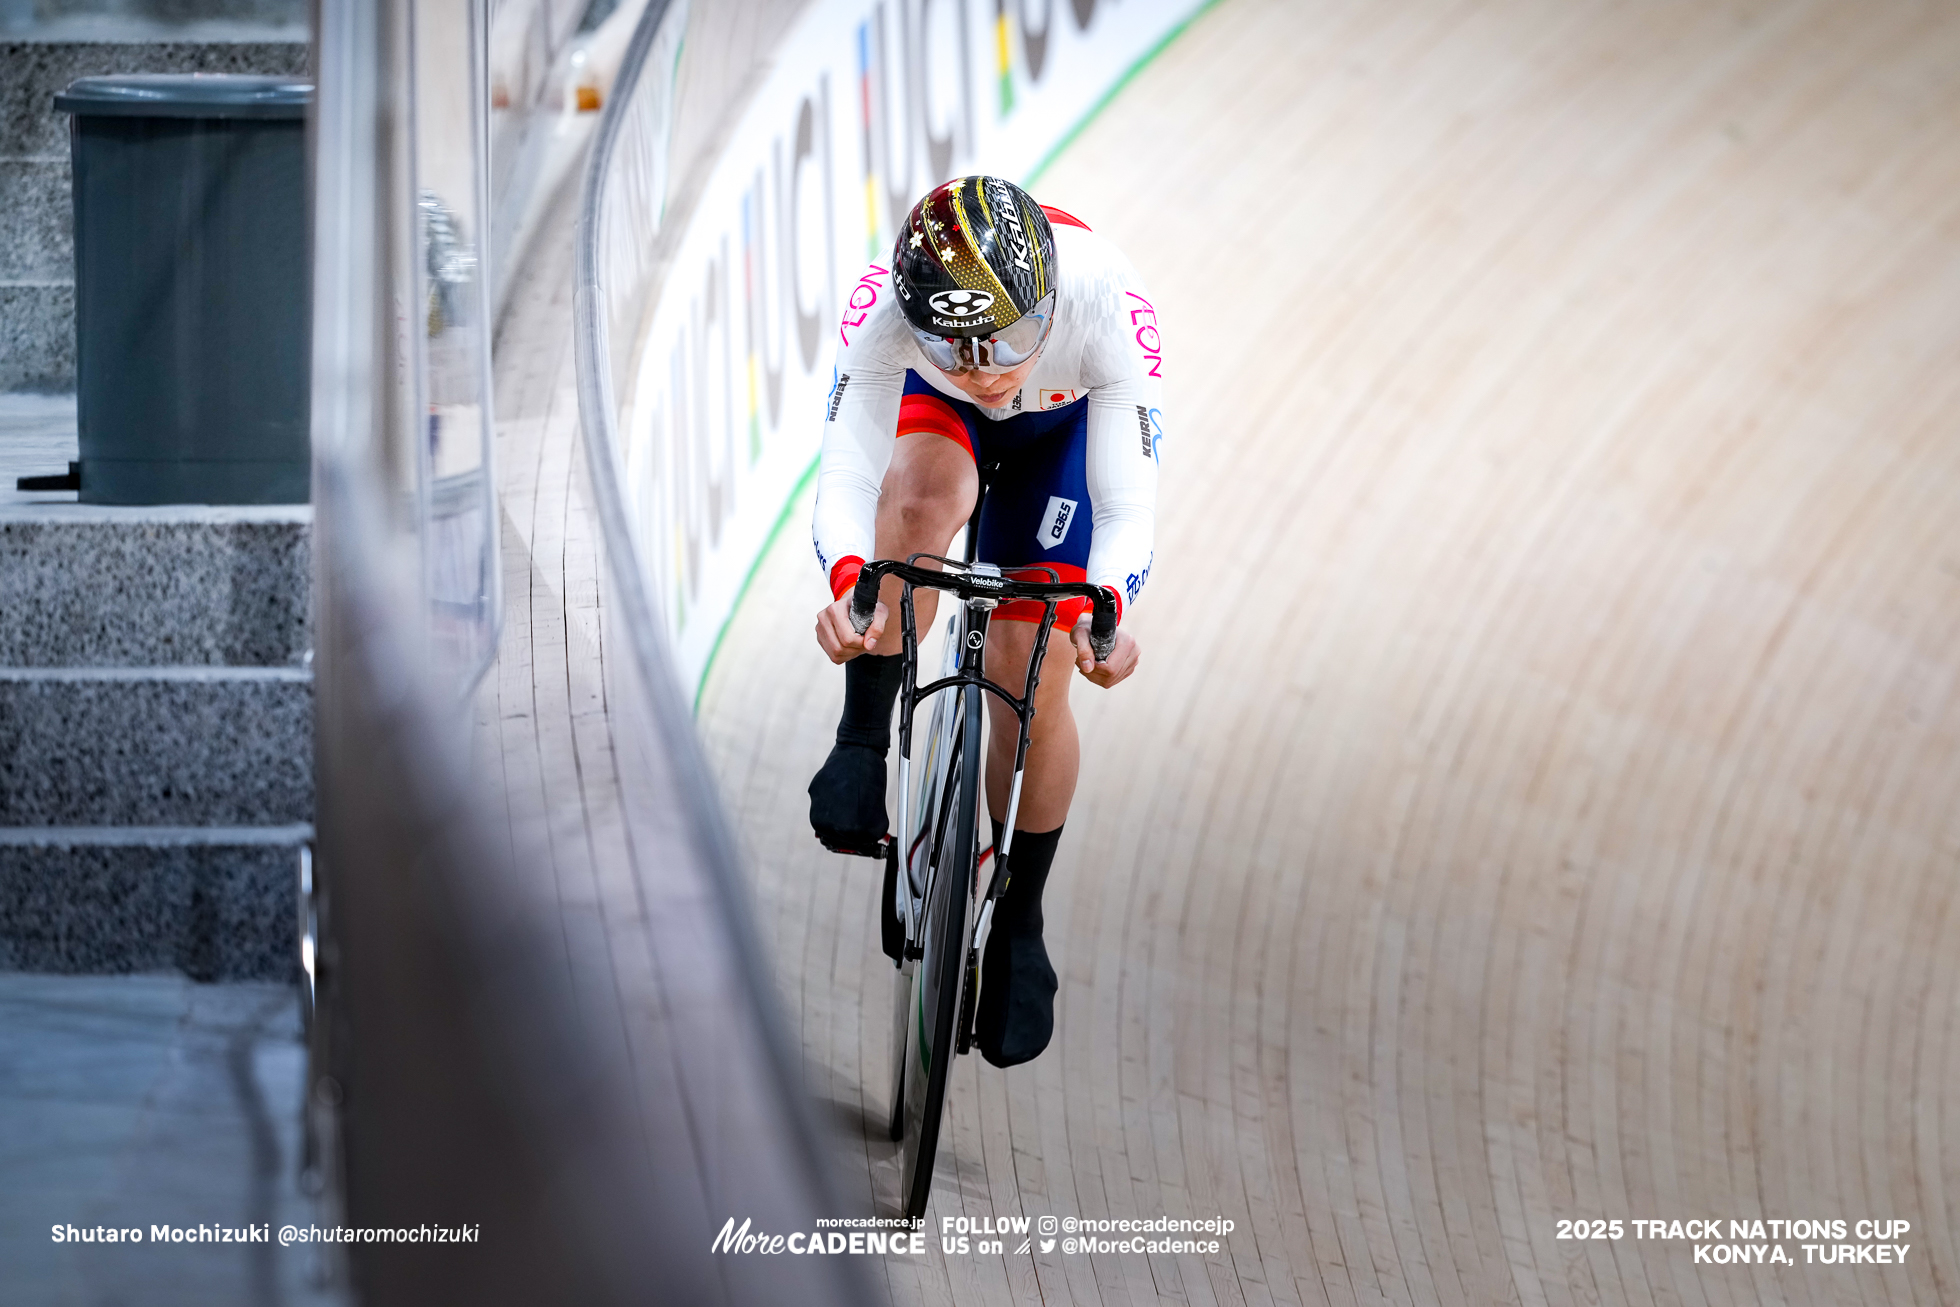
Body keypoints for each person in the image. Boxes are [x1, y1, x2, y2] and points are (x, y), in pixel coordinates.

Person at [807, 175, 1162, 1067]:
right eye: (955, 347)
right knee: (921, 506)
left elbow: (1127, 504)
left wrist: (1109, 606)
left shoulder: (1106, 299)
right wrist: (854, 584)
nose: (985, 369)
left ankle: (1023, 913)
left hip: (1063, 434)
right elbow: (847, 477)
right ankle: (860, 735)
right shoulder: (885, 310)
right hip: (942, 429)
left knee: (1032, 661)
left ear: (1044, 299)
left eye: (1006, 339)